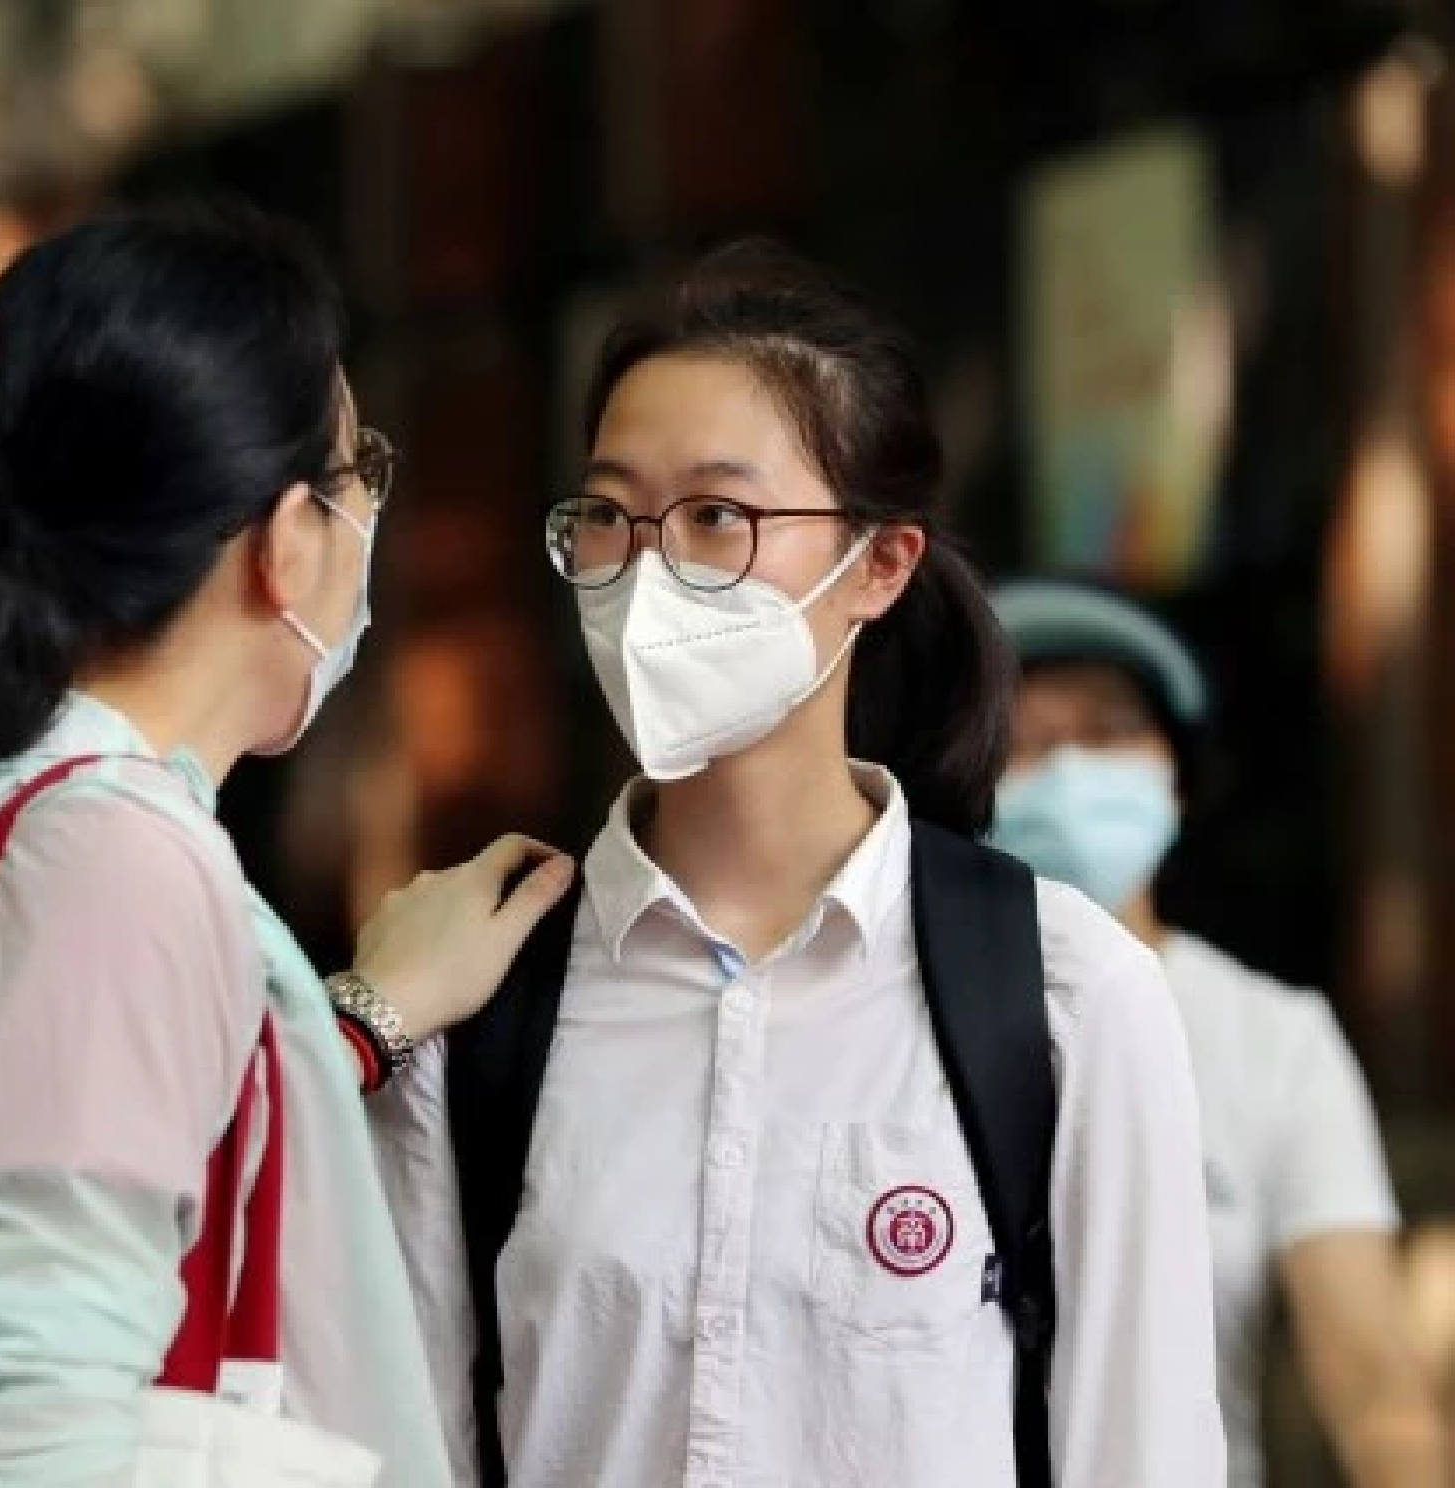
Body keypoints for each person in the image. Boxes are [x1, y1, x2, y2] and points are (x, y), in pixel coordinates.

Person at [0, 202, 574, 1482]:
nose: (366, 519)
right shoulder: (111, 864)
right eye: (359, 474)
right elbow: (35, 1413)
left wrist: (353, 1025)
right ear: (285, 543)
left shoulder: (0, 833)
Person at [371, 246, 1225, 1486]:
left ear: (878, 565)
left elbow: (1140, 1458)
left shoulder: (1060, 994)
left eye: (718, 516)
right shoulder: (480, 999)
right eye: (608, 514)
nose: (649, 571)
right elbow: (408, 1453)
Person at [989, 576, 1447, 1488]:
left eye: (1110, 730)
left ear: (1178, 777)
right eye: (1022, 742)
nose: (1072, 766)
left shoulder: (1275, 1038)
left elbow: (1370, 1383)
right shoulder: (882, 1012)